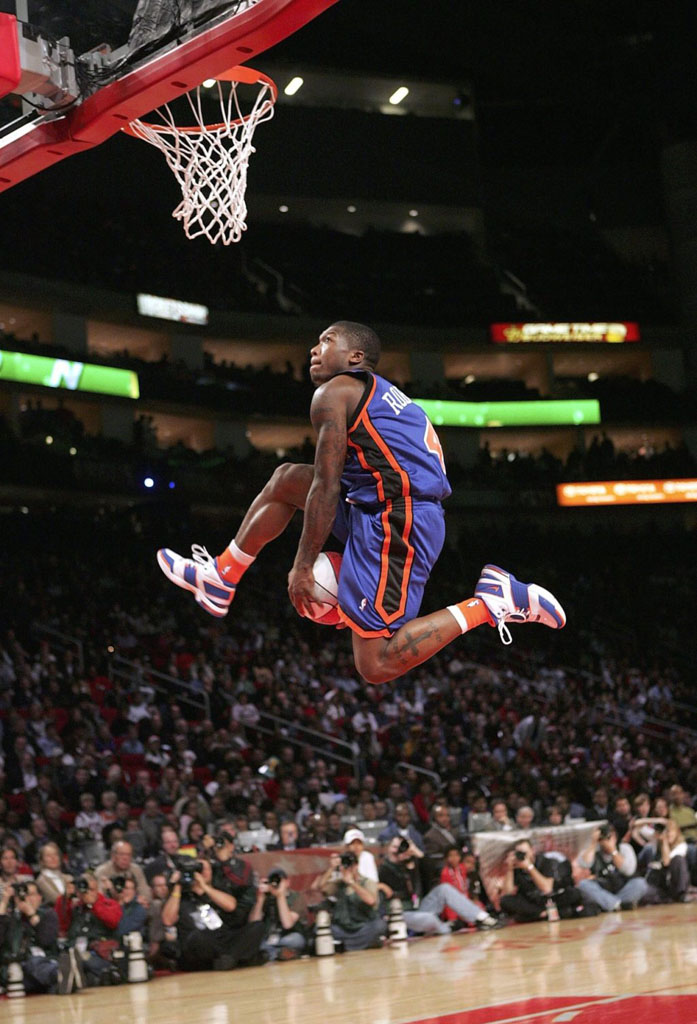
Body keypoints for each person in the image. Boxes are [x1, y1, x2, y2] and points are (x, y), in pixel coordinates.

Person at [157, 321, 566, 684]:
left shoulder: (335, 393)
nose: (314, 350)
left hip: (399, 523)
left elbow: (326, 486)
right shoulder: (383, 397)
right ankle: (221, 577)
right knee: (285, 480)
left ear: (355, 357)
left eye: (326, 340)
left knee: (376, 664)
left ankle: (491, 601)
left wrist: (303, 567)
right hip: (378, 508)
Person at [378, 835, 498, 933]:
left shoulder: (412, 864)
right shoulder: (385, 868)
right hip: (401, 914)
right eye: (394, 847)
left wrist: (417, 853)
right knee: (430, 919)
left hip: (420, 908)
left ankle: (482, 918)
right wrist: (399, 862)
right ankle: (447, 928)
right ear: (388, 848)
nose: (398, 850)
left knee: (444, 889)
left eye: (401, 847)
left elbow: (434, 871)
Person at [500, 838, 586, 923]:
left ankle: (535, 916)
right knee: (505, 901)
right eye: (519, 853)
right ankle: (544, 914)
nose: (522, 855)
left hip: (552, 898)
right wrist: (509, 869)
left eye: (524, 852)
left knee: (574, 893)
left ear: (532, 850)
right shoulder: (516, 867)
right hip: (533, 902)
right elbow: (508, 893)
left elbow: (547, 889)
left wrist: (529, 867)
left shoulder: (545, 862)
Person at [317, 850, 386, 951]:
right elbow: (322, 888)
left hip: (363, 926)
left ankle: (347, 945)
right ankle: (360, 944)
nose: (348, 868)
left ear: (356, 865)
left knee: (379, 925)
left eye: (351, 865)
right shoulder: (339, 883)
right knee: (321, 928)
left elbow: (371, 901)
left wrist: (352, 883)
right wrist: (331, 868)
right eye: (345, 866)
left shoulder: (368, 882)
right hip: (343, 928)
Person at [576, 824, 649, 913]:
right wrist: (593, 843)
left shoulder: (624, 848)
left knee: (640, 883)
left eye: (609, 836)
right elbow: (584, 864)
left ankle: (612, 905)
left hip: (623, 888)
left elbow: (628, 871)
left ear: (615, 837)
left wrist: (613, 851)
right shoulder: (594, 850)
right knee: (583, 884)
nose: (606, 839)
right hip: (603, 889)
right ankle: (617, 905)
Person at [248, 867, 308, 961]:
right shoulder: (266, 898)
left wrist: (280, 896)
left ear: (287, 883)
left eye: (279, 880)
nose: (275, 883)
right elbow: (253, 923)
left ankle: (269, 953)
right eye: (272, 881)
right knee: (253, 941)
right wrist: (260, 899)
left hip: (287, 937)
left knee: (296, 940)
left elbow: (287, 924)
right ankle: (279, 953)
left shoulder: (297, 897)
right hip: (268, 938)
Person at [35, 841, 73, 905]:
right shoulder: (41, 881)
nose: (53, 858)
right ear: (42, 861)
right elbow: (55, 899)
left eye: (55, 854)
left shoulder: (68, 877)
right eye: (48, 855)